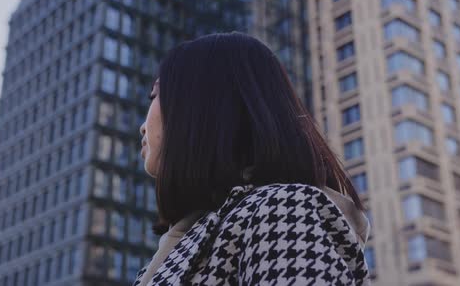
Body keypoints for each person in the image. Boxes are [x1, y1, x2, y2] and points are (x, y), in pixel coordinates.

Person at [135, 32, 370, 285]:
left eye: (155, 95)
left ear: (201, 107)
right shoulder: (190, 241)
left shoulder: (281, 210)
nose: (142, 126)